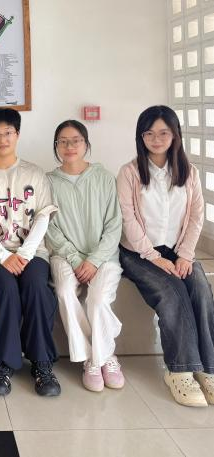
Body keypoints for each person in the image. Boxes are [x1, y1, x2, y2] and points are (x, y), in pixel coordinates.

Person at [118, 105, 214, 407]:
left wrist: (185, 255)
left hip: (178, 250)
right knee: (172, 293)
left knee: (200, 289)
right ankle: (180, 371)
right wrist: (152, 255)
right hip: (137, 253)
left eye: (163, 133)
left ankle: (209, 369)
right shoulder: (130, 172)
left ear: (175, 135)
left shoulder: (189, 172)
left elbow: (196, 215)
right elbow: (128, 219)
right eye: (149, 133)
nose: (156, 139)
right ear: (140, 137)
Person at [0, 107, 60, 397]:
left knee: (37, 289)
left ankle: (41, 363)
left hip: (31, 251)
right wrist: (3, 256)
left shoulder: (35, 173)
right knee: (5, 289)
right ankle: (3, 364)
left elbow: (43, 216)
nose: (2, 139)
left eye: (7, 132)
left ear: (17, 135)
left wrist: (25, 254)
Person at [46, 120, 125, 393]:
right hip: (64, 255)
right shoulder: (48, 182)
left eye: (76, 140)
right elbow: (50, 228)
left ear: (86, 144)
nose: (70, 146)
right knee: (65, 291)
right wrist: (75, 259)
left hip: (103, 256)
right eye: (63, 141)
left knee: (98, 299)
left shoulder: (104, 178)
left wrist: (93, 260)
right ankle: (95, 358)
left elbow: (114, 225)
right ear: (56, 146)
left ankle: (102, 356)